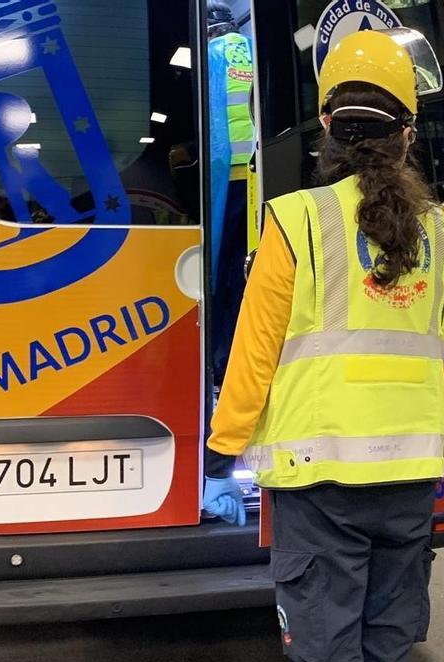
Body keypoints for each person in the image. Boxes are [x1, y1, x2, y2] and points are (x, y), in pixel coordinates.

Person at [202, 28, 444, 662]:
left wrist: (222, 447)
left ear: (327, 125)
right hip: (408, 478)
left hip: (321, 483)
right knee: (387, 651)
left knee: (328, 659)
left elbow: (254, 351)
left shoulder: (295, 221)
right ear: (407, 132)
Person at [206, 1, 256, 385]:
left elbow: (215, 131)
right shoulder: (251, 50)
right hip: (254, 175)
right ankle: (238, 360)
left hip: (223, 177)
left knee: (220, 273)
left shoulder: (212, 53)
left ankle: (217, 359)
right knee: (245, 272)